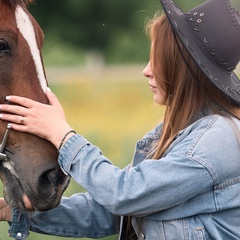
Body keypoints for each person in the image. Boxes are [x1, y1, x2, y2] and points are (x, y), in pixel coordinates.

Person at [1, 0, 240, 239]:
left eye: (157, 58)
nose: (147, 70)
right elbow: (109, 213)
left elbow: (124, 194)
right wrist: (11, 211)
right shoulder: (176, 133)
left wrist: (63, 136)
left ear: (183, 68)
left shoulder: (216, 141)